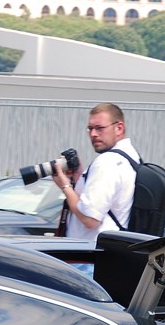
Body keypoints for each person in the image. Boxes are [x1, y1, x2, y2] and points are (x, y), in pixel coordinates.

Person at [52, 102, 139, 243]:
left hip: (90, 254)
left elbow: (90, 219)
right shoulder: (131, 157)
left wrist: (65, 186)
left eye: (99, 128)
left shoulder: (107, 162)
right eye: (90, 129)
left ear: (119, 128)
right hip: (110, 251)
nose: (93, 134)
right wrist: (79, 177)